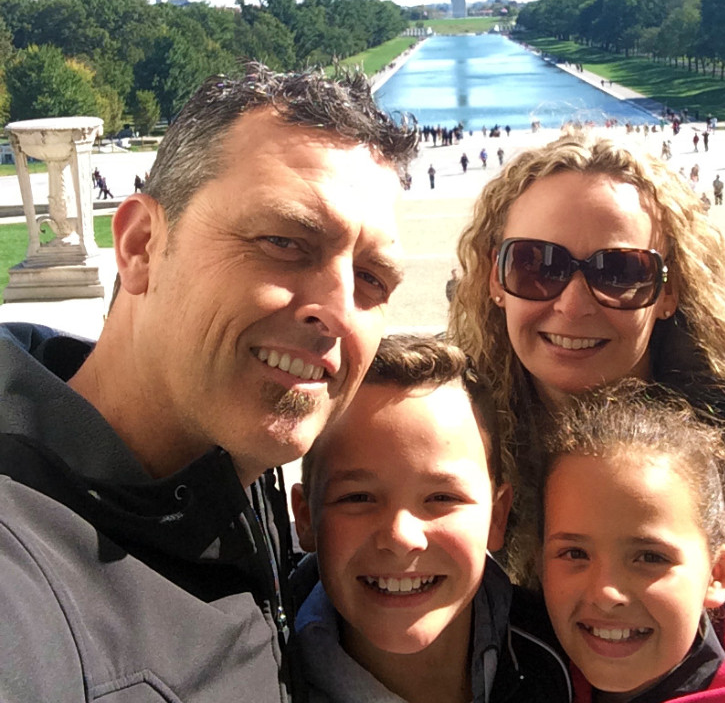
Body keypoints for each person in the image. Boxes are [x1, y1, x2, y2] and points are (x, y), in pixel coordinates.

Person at [0, 63, 418, 703]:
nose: (338, 311)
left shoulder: (228, 463)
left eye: (372, 280)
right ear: (141, 246)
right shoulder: (20, 590)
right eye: (283, 241)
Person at [448, 133, 725, 701]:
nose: (573, 304)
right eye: (536, 265)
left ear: (669, 291)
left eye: (620, 272)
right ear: (495, 280)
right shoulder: (454, 439)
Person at [290, 335, 571, 703]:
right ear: (306, 518)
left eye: (442, 498)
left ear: (497, 517)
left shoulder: (566, 663)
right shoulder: (258, 677)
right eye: (358, 497)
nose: (402, 537)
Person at [539, 382, 725, 702]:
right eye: (574, 553)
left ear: (718, 574)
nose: (606, 593)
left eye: (649, 558)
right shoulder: (518, 672)